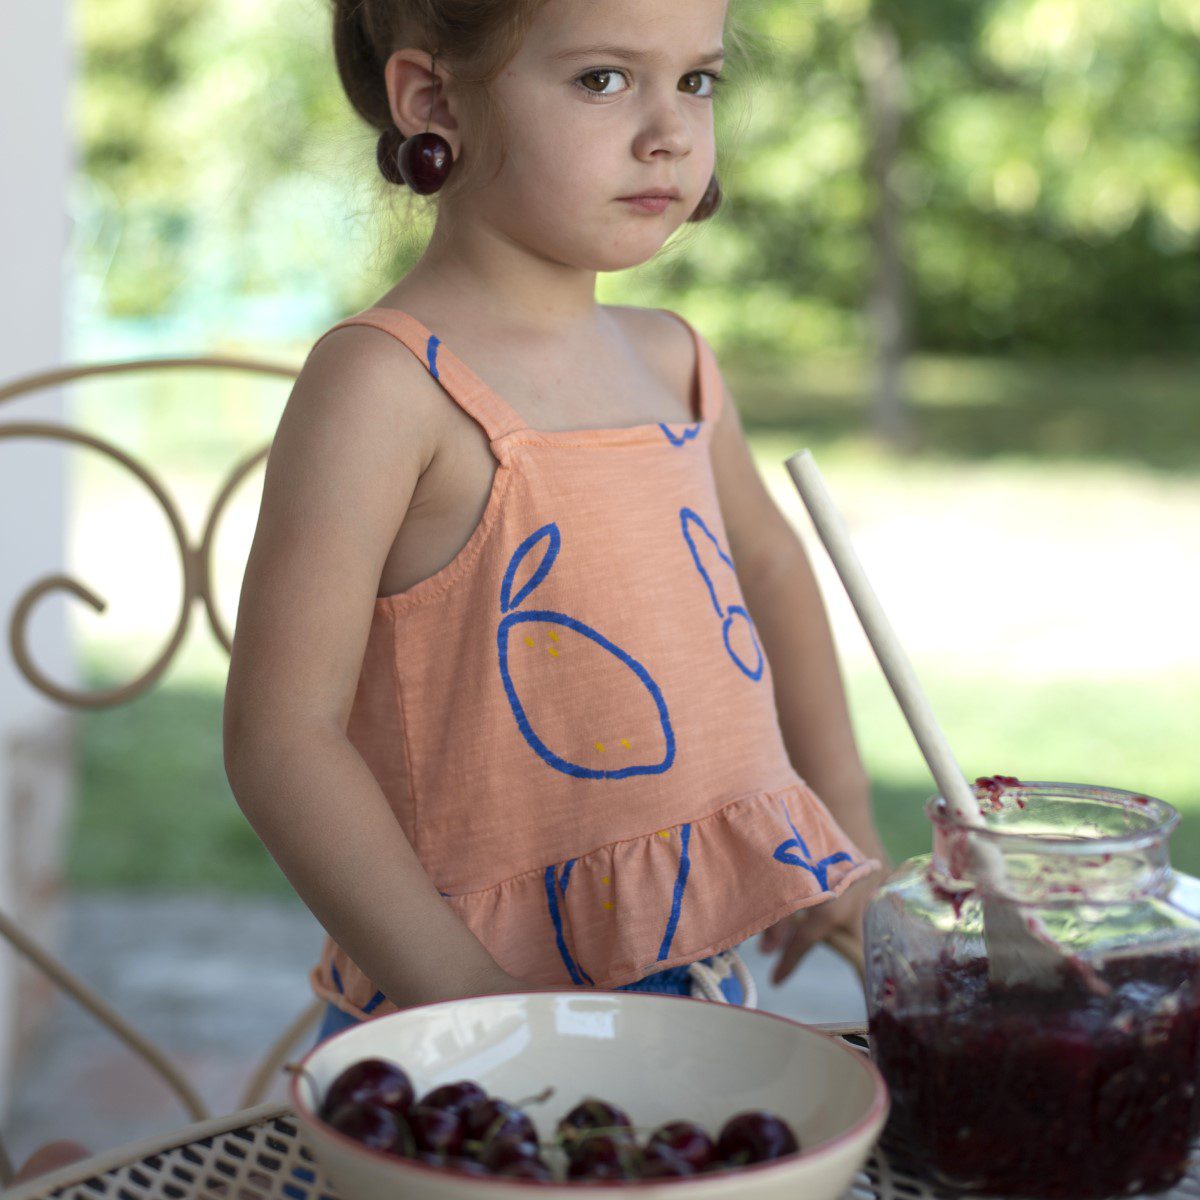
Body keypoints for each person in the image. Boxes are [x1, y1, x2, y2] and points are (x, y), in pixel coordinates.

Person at [222, 0, 888, 1045]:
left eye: (697, 80)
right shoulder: (386, 386)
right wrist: (485, 1017)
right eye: (604, 80)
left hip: (693, 1004)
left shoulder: (674, 359)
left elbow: (769, 558)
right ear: (432, 99)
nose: (668, 128)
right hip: (460, 1028)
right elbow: (280, 737)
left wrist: (841, 825)